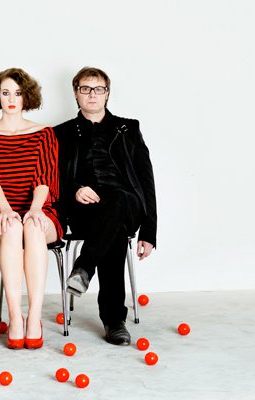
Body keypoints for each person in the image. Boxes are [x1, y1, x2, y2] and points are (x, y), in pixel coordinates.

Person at [54, 67, 157, 346]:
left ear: (107, 93)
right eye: (85, 89)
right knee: (114, 228)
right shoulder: (60, 133)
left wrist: (149, 231)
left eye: (99, 89)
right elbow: (51, 178)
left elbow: (146, 181)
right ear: (75, 93)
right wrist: (75, 190)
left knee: (119, 200)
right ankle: (114, 321)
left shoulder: (128, 128)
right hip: (85, 210)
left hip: (127, 203)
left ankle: (84, 267)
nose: (92, 94)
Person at [0, 68, 62, 349]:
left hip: (41, 210)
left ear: (27, 97)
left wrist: (35, 209)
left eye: (18, 93)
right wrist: (6, 210)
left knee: (32, 227)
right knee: (12, 227)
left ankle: (34, 318)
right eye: (6, 93)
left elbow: (44, 178)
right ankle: (14, 317)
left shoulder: (45, 134)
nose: (12, 99)